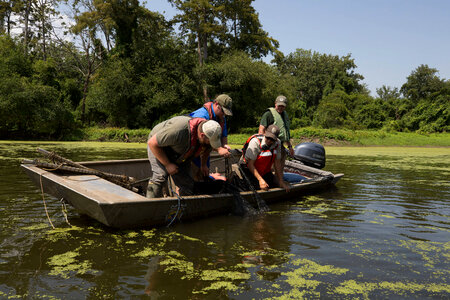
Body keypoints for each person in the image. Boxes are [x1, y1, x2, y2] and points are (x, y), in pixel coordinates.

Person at [146, 116, 224, 198]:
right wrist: (167, 164)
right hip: (158, 146)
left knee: (187, 183)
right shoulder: (178, 131)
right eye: (209, 141)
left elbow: (207, 148)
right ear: (202, 135)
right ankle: (150, 205)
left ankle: (183, 207)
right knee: (160, 175)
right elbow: (152, 143)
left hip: (181, 151)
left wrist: (203, 165)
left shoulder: (208, 134)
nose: (210, 144)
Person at [240, 125, 290, 192]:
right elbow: (250, 164)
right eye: (268, 137)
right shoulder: (255, 142)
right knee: (257, 188)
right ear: (265, 133)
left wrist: (281, 180)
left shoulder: (278, 143)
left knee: (274, 186)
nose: (269, 141)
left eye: (272, 139)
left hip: (264, 170)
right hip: (248, 168)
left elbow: (277, 163)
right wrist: (260, 180)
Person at [258, 95, 294, 165]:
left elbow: (285, 134)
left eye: (282, 106)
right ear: (275, 104)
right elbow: (261, 130)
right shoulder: (268, 114)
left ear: (285, 106)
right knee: (270, 168)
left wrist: (290, 147)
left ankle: (279, 176)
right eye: (279, 105)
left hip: (281, 146)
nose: (280, 107)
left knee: (280, 168)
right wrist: (264, 146)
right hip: (270, 146)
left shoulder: (285, 116)